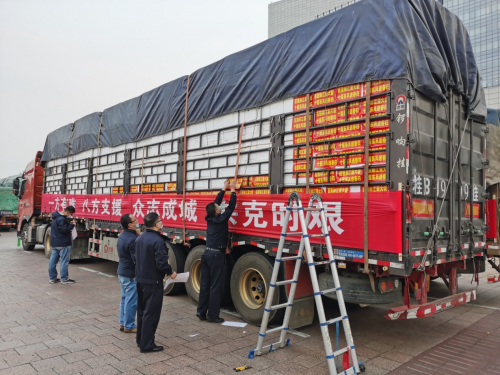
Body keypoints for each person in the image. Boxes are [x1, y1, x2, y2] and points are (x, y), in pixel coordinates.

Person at [135, 212, 177, 353]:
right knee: (151, 313)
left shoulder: (140, 238)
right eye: (160, 220)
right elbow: (161, 263)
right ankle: (147, 345)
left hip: (140, 279)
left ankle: (141, 340)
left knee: (142, 311)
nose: (161, 222)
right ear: (156, 224)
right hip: (153, 282)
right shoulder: (158, 241)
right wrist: (171, 272)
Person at [197, 178, 237, 323]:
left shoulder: (209, 217)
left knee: (205, 285)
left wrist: (223, 189)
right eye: (218, 207)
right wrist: (232, 190)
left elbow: (216, 203)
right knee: (215, 286)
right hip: (215, 256)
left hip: (207, 253)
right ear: (217, 212)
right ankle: (213, 315)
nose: (219, 206)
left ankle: (201, 312)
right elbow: (231, 207)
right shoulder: (221, 219)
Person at [117, 214, 140, 333]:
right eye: (135, 220)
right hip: (130, 274)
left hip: (122, 272)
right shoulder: (132, 239)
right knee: (131, 301)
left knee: (124, 299)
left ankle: (122, 323)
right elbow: (136, 259)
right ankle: (129, 325)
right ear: (130, 225)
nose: (137, 221)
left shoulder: (122, 235)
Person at [49, 206, 76, 284]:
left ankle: (52, 278)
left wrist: (68, 224)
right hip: (63, 243)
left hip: (54, 243)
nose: (70, 215)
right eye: (70, 214)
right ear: (67, 212)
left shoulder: (55, 217)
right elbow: (64, 230)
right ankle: (64, 279)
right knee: (64, 261)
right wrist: (72, 225)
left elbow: (61, 227)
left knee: (52, 261)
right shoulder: (62, 219)